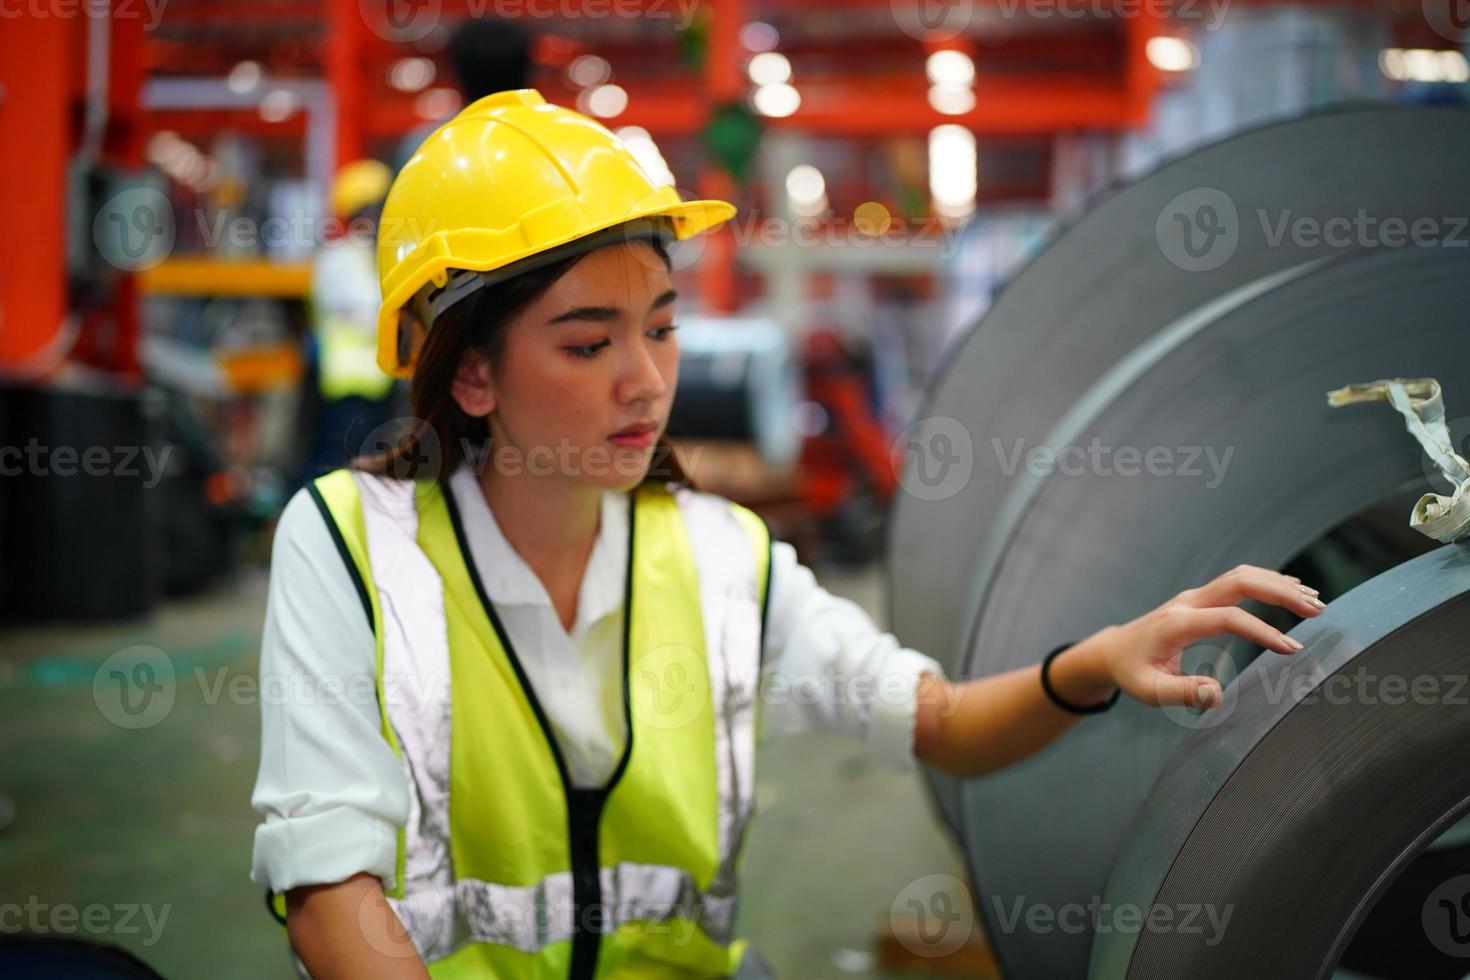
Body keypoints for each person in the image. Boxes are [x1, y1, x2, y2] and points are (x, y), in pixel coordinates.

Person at [248, 89, 1328, 979]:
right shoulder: (353, 547)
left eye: (663, 328)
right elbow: (331, 896)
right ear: (471, 372)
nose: (647, 379)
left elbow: (938, 720)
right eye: (588, 345)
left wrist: (1097, 659)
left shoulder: (719, 556)